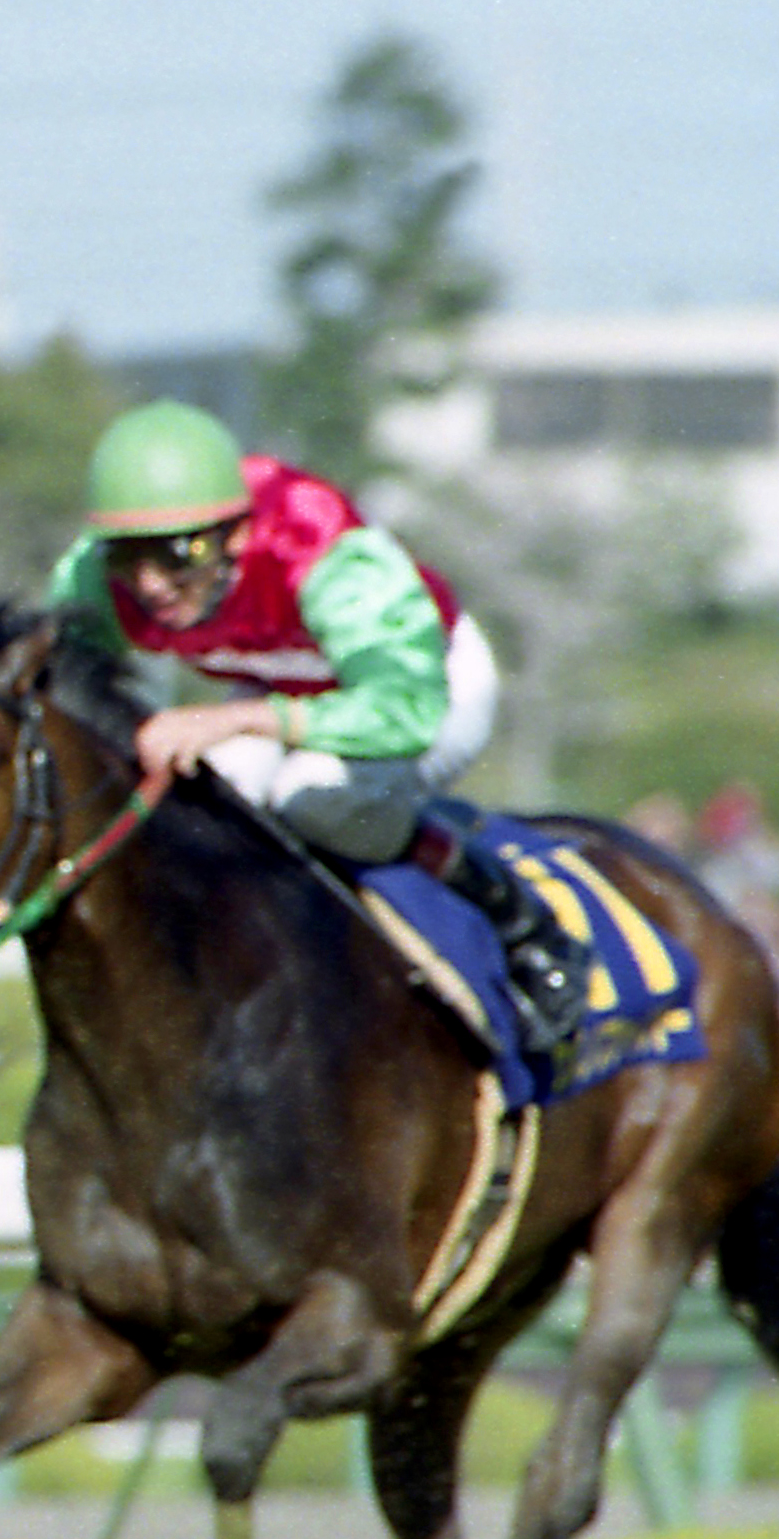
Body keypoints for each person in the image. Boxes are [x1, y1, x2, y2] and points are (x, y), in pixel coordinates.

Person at [47, 398, 587, 1059]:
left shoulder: (321, 549)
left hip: (430, 688)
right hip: (284, 688)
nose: (151, 584)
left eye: (178, 554)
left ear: (237, 535)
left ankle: (516, 916)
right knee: (205, 804)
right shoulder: (96, 579)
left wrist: (235, 717)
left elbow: (402, 713)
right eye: (128, 557)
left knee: (313, 798)